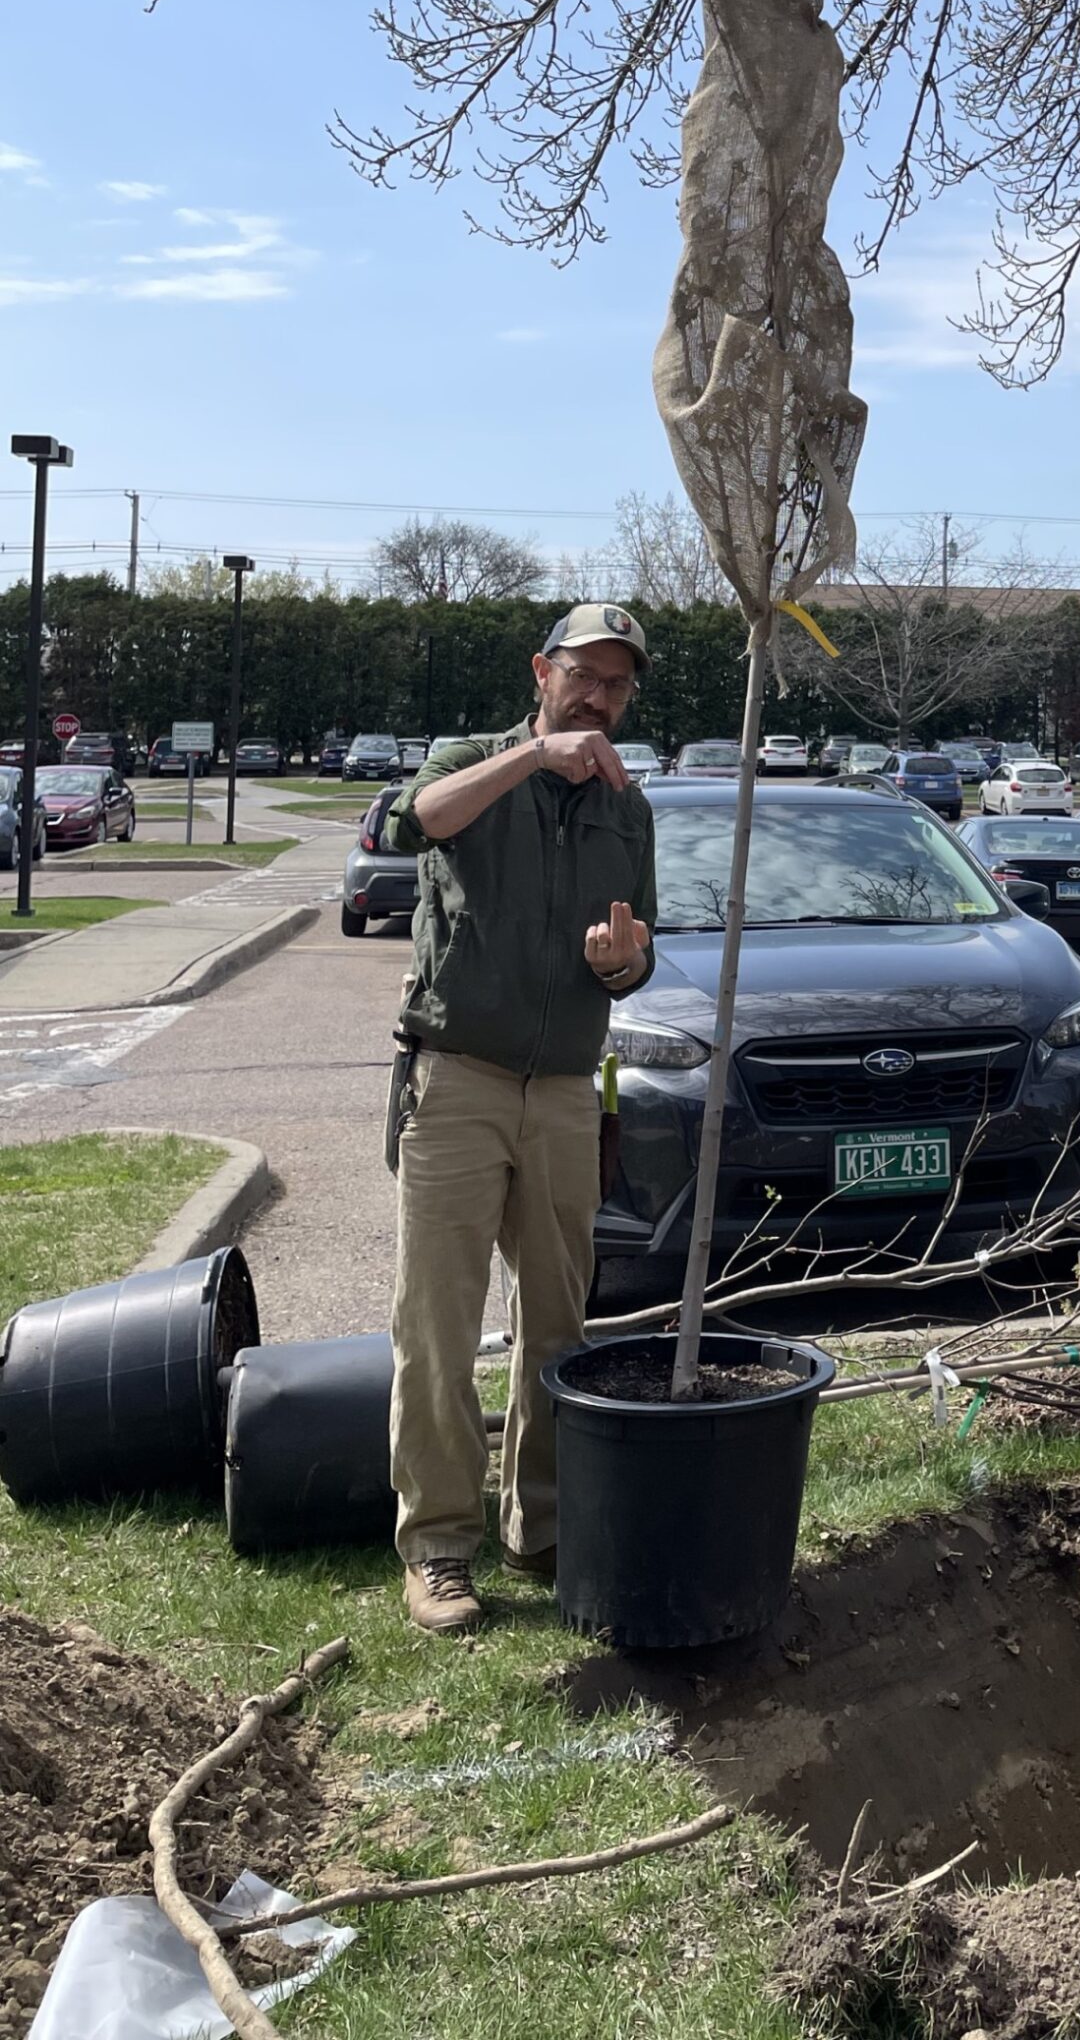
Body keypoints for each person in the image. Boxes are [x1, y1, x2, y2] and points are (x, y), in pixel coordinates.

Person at [383, 604, 659, 1634]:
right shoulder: (473, 761)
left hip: (563, 1093)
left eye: (617, 685)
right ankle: (440, 1546)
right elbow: (421, 817)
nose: (599, 698)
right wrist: (536, 756)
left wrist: (621, 962)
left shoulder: (627, 809)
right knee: (437, 1325)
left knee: (558, 1327)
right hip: (455, 1080)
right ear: (542, 672)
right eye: (583, 676)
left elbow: (640, 949)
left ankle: (538, 1526)